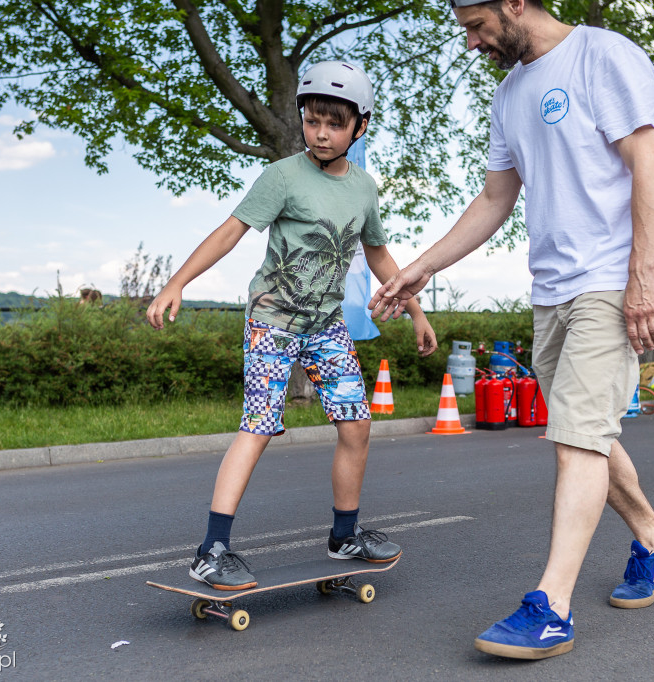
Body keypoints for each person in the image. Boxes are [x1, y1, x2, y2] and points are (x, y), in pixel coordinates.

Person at [372, 0, 654, 660]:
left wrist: (643, 276)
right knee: (583, 427)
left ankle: (551, 607)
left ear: (515, 3)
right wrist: (420, 268)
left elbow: (649, 166)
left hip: (609, 277)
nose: (471, 42)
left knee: (578, 436)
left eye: (477, 25)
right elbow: (494, 198)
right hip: (551, 289)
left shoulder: (606, 56)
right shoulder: (510, 95)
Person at [146, 61, 438, 590]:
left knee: (356, 425)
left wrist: (416, 311)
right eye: (312, 120)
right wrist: (176, 283)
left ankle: (344, 535)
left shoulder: (364, 188)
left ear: (359, 127)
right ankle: (210, 550)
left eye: (334, 124)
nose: (321, 133)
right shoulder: (282, 175)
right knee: (258, 426)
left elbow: (378, 254)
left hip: (325, 326)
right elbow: (229, 232)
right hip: (273, 322)